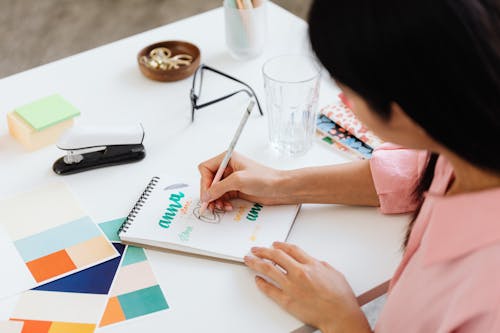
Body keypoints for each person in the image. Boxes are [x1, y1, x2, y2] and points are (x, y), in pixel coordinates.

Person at [198, 0, 500, 332]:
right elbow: (411, 172)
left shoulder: (487, 296)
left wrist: (342, 320)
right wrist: (279, 184)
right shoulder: (466, 137)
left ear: (408, 106)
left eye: (347, 91)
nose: (343, 102)